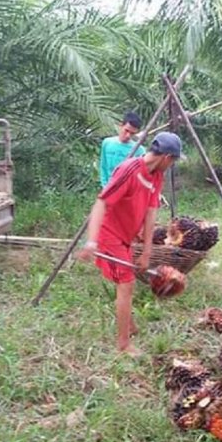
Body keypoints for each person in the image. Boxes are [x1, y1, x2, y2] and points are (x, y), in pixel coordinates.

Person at [78, 132, 184, 356]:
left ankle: (129, 324)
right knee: (126, 284)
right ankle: (124, 345)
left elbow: (150, 212)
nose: (172, 164)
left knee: (129, 280)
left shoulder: (156, 176)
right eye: (173, 160)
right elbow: (101, 203)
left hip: (126, 236)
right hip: (110, 235)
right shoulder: (129, 170)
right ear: (166, 157)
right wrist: (92, 240)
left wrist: (146, 251)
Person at [99, 111, 146, 188]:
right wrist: (105, 186)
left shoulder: (139, 150)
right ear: (121, 126)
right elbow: (103, 167)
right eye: (126, 130)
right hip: (108, 190)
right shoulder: (107, 143)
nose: (128, 135)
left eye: (132, 133)